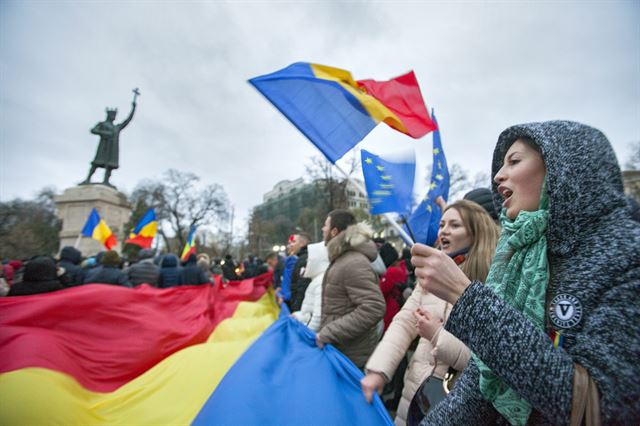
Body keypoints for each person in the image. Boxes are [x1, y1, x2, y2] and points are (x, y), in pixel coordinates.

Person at [412, 121, 640, 425]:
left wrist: (466, 297)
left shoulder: (628, 254)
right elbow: (483, 382)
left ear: (564, 167)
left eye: (514, 161)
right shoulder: (519, 256)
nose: (497, 176)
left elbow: (604, 407)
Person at [362, 200, 499, 425]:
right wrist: (379, 370)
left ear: (477, 232)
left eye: (455, 225)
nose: (444, 230)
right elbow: (404, 321)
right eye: (442, 224)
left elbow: (490, 357)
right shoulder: (429, 275)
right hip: (416, 390)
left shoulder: (494, 279)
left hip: (461, 402)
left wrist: (437, 334)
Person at [315, 209, 386, 369]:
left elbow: (373, 307)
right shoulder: (343, 259)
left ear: (334, 231)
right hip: (341, 351)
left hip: (352, 357)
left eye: (325, 225)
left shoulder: (353, 262)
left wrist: (329, 332)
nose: (322, 229)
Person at [82, 94, 137, 186]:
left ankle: (106, 181)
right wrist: (105, 133)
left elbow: (128, 120)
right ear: (108, 115)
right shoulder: (102, 124)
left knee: (110, 166)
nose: (114, 117)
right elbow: (93, 130)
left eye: (115, 115)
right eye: (112, 115)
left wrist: (133, 108)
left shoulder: (117, 127)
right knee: (96, 163)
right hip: (103, 147)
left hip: (112, 149)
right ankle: (87, 179)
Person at [291, 242, 329, 332]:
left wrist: (308, 334)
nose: (307, 263)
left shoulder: (321, 281)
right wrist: (298, 315)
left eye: (309, 260)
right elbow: (310, 312)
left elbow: (318, 317)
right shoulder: (317, 279)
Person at [289, 232, 311, 311]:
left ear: (302, 243)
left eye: (293, 242)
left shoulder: (303, 260)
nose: (290, 245)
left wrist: (296, 309)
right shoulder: (300, 259)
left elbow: (301, 287)